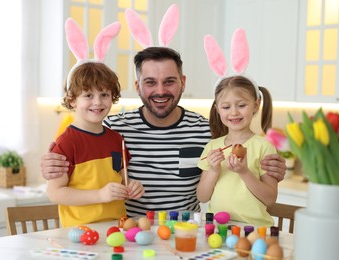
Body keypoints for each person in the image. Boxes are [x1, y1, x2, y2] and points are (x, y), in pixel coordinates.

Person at [41, 47, 287, 218]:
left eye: (169, 81)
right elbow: (79, 153)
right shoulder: (112, 130)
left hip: (187, 234)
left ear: (183, 82)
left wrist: (271, 168)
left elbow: (244, 145)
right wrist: (51, 164)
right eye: (150, 82)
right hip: (130, 234)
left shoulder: (208, 130)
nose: (160, 90)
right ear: (138, 86)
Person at [47, 62, 144, 227]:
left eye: (104, 94)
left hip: (117, 227)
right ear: (72, 100)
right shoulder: (66, 143)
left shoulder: (116, 139)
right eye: (88, 95)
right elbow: (55, 193)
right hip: (79, 232)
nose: (98, 102)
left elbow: (121, 180)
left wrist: (132, 187)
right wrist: (100, 195)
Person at [197, 75, 277, 226]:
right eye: (226, 107)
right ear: (218, 109)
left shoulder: (265, 146)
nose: (234, 112)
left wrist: (244, 172)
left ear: (255, 105)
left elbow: (270, 199)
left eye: (241, 105)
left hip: (254, 229)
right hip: (218, 227)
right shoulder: (212, 146)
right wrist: (214, 170)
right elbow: (202, 197)